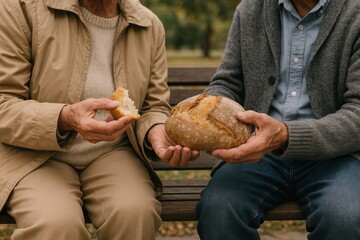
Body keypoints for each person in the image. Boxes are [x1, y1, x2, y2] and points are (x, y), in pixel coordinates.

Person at [0, 0, 198, 239]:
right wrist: (65, 118)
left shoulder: (147, 24)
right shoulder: (17, 9)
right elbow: (4, 102)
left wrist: (155, 129)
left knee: (135, 213)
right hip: (32, 155)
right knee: (56, 225)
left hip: (112, 152)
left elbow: (153, 106)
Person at [196, 0, 360, 239]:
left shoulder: (355, 12)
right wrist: (205, 112)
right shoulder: (250, 9)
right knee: (219, 208)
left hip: (337, 155)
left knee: (343, 217)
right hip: (258, 153)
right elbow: (227, 83)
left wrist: (286, 135)